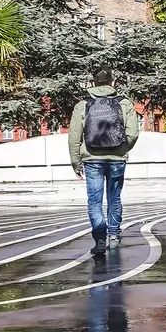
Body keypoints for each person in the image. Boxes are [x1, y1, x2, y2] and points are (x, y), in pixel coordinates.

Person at [68, 68, 141, 256]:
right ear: (113, 83)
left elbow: (74, 136)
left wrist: (76, 162)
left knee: (94, 201)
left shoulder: (82, 105)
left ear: (93, 83)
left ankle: (100, 239)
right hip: (116, 160)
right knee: (114, 198)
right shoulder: (124, 103)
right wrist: (122, 149)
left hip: (92, 159)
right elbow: (133, 133)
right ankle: (114, 236)